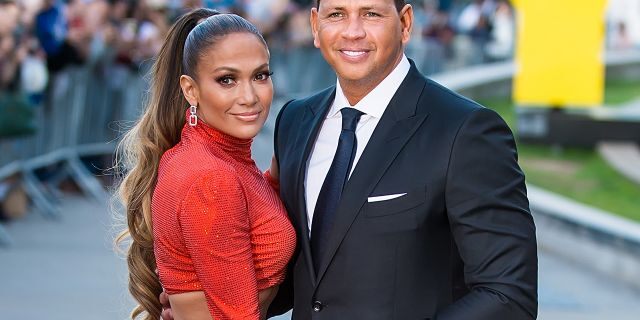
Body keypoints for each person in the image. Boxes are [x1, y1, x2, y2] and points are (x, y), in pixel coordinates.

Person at [165, 0, 538, 319]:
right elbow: (311, 275)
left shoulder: (465, 132)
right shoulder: (294, 121)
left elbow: (508, 295)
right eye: (337, 14)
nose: (353, 32)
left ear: (405, 23)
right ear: (315, 25)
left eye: (372, 14)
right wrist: (202, 302)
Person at [116, 8, 296, 320]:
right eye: (227, 79)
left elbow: (248, 213)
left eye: (260, 75)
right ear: (191, 89)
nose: (249, 96)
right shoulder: (211, 179)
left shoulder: (213, 158)